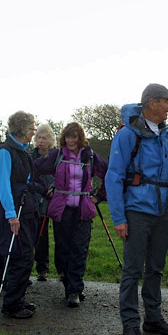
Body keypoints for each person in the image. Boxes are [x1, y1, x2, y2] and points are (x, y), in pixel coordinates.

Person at [105, 83, 168, 335]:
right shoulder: (127, 135)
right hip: (138, 210)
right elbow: (113, 177)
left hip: (165, 210)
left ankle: (153, 317)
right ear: (152, 103)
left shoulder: (166, 133)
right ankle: (130, 324)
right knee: (133, 269)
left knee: (156, 268)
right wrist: (119, 218)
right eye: (166, 101)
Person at [35, 122, 107, 308]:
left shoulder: (89, 155)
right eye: (68, 137)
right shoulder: (57, 155)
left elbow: (108, 173)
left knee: (80, 249)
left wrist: (99, 196)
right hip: (62, 209)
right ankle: (69, 283)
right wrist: (45, 190)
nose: (71, 140)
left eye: (74, 137)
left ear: (80, 137)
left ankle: (74, 289)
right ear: (63, 138)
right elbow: (33, 170)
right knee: (63, 249)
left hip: (83, 209)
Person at [0, 111, 40, 319]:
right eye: (31, 127)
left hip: (26, 210)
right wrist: (11, 215)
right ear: (21, 128)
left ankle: (18, 298)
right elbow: (3, 185)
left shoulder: (23, 152)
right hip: (14, 214)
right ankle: (11, 304)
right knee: (19, 258)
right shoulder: (4, 152)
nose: (33, 131)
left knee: (27, 256)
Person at [29, 123, 57, 281]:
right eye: (39, 137)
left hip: (56, 196)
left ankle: (61, 269)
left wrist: (54, 188)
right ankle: (41, 268)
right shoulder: (31, 156)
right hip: (38, 198)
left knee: (60, 233)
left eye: (44, 138)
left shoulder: (57, 155)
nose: (41, 140)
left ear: (50, 139)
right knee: (40, 233)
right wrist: (42, 189)